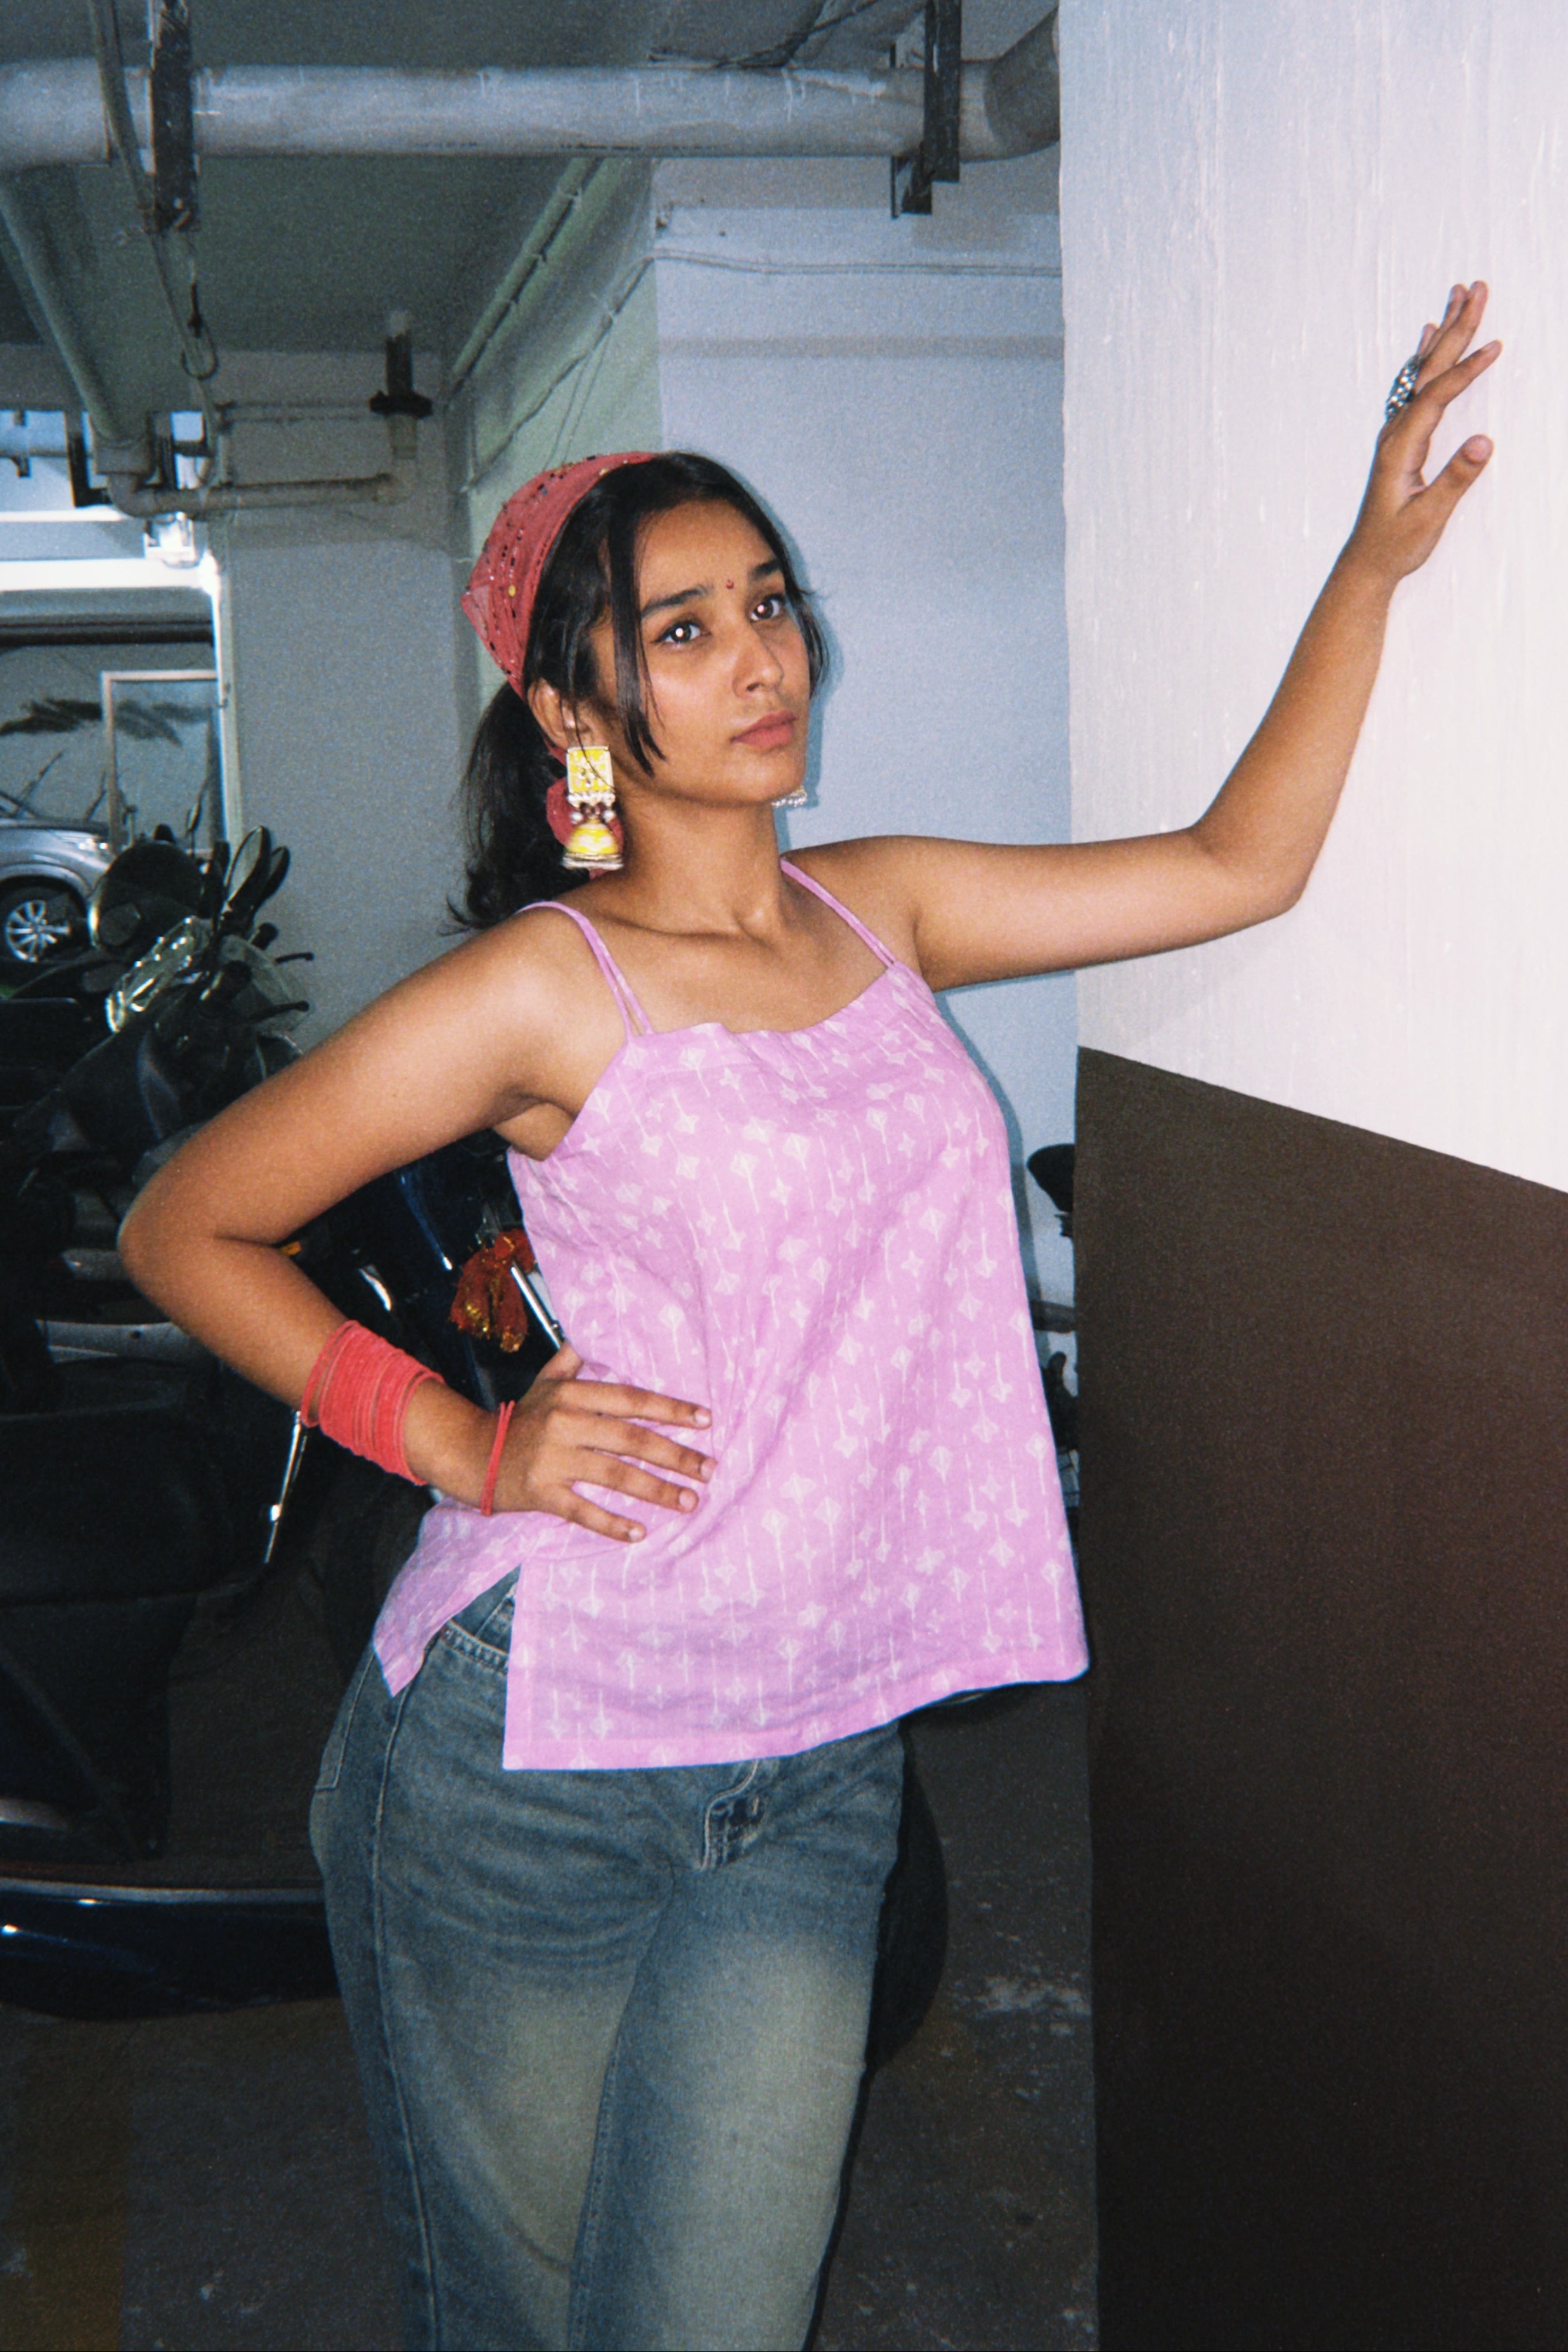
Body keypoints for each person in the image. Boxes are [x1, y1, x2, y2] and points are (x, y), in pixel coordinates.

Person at [119, 283, 1498, 2352]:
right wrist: (459, 1440)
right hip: (534, 1756)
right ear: (577, 712)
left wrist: (1368, 564)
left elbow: (1241, 862)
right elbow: (186, 1223)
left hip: (816, 1756)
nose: (761, 657)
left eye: (766, 603)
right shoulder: (543, 985)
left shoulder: (887, 905)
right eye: (683, 629)